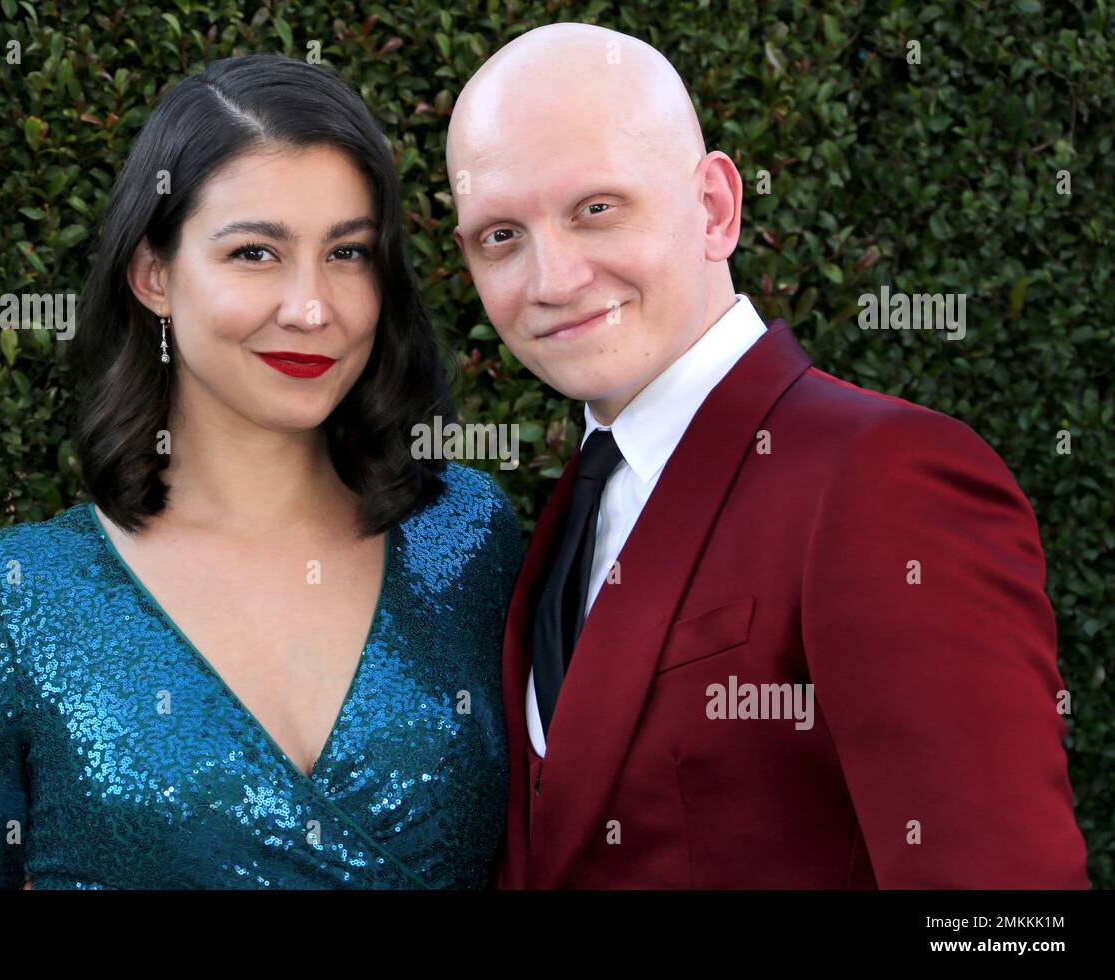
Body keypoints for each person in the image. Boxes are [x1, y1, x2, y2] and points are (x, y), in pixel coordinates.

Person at [445, 23, 1090, 888]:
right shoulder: (579, 503)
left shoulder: (882, 477)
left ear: (714, 208)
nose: (552, 279)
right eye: (501, 236)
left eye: (596, 209)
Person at [0, 54, 522, 890]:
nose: (310, 307)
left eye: (348, 253)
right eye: (256, 253)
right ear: (153, 275)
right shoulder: (11, 600)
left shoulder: (465, 536)